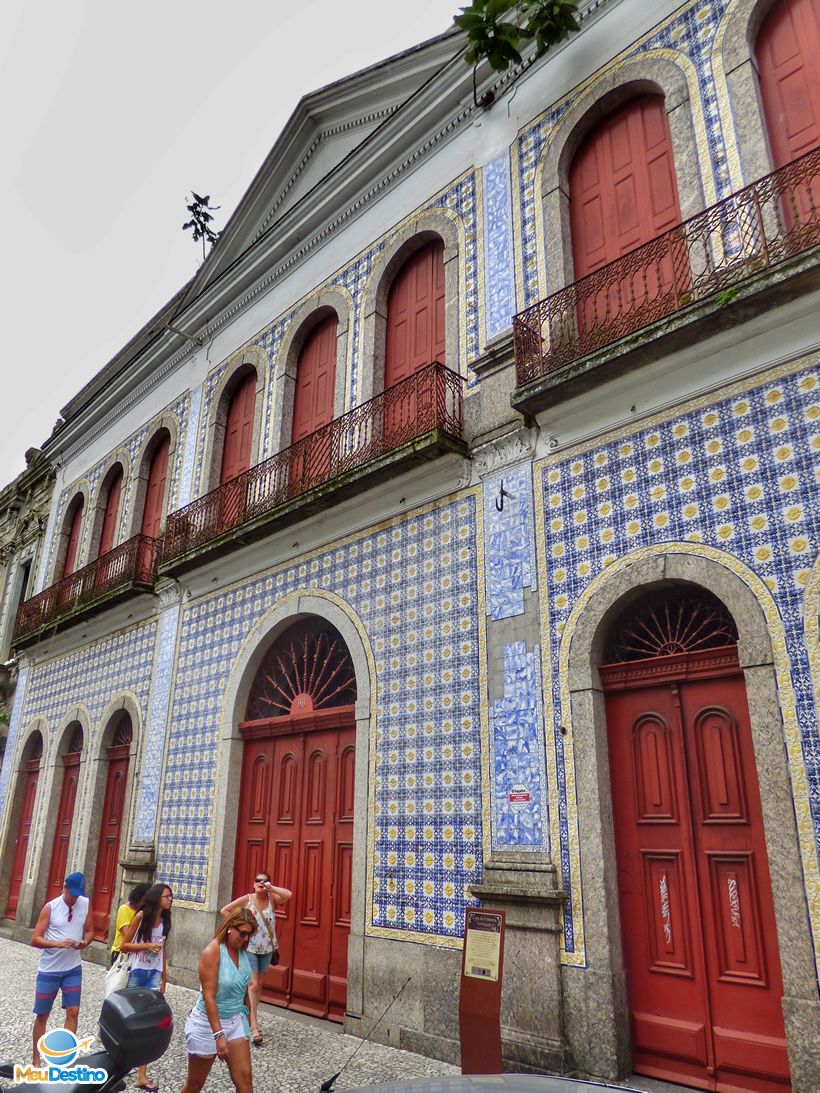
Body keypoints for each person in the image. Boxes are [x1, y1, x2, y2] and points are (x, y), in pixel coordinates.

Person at [179, 907, 257, 1093]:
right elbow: (209, 996)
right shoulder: (212, 951)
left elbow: (244, 986)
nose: (245, 939)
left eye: (249, 936)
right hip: (208, 1024)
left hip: (235, 1020)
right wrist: (219, 1035)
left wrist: (250, 1021)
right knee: (195, 1084)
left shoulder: (241, 951)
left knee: (245, 1079)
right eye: (243, 933)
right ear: (230, 927)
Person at [220, 870, 291, 1045]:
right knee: (252, 984)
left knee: (258, 985)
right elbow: (225, 910)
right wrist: (239, 926)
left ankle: (248, 1015)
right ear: (253, 884)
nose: (261, 883)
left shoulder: (272, 898)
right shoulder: (247, 899)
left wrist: (271, 888)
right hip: (250, 948)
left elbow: (288, 895)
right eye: (258, 880)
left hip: (267, 948)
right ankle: (253, 1025)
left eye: (265, 881)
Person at [30, 872, 93, 1066]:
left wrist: (85, 942)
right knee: (43, 1014)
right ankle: (36, 1059)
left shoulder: (86, 904)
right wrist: (57, 943)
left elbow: (91, 930)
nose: (74, 898)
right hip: (49, 969)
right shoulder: (50, 908)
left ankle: (64, 1057)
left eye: (77, 894)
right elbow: (35, 939)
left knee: (73, 1011)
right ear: (64, 888)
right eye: (71, 893)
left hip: (73, 968)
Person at [121, 883, 173, 1092]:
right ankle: (120, 1062)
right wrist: (145, 946)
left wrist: (163, 976)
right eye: (166, 896)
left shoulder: (166, 920)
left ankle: (142, 1075)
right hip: (138, 972)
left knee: (149, 1024)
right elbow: (125, 945)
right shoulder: (141, 917)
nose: (170, 899)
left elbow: (163, 949)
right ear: (156, 898)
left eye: (170, 896)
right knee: (129, 1020)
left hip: (153, 974)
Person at [110, 882, 149, 966]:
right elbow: (127, 934)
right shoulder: (124, 909)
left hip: (136, 953)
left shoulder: (144, 912)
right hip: (121, 953)